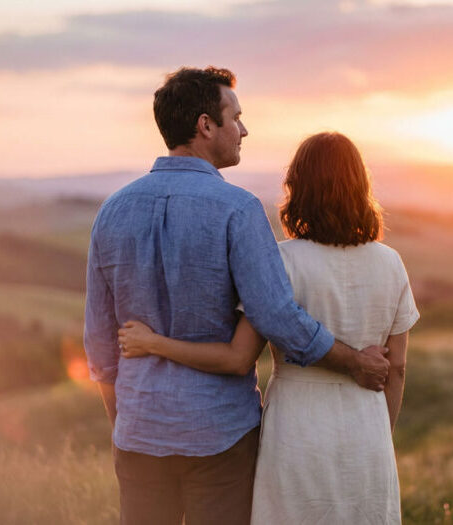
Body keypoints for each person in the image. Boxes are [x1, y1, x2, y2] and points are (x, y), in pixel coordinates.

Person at [83, 67, 390, 525]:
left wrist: (123, 425)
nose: (243, 129)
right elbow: (278, 316)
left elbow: (100, 343)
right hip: (220, 438)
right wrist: (356, 362)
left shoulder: (112, 211)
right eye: (236, 117)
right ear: (206, 125)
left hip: (139, 435)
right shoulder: (238, 209)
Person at [119, 131, 420, 524]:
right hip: (367, 429)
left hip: (296, 429)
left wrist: (155, 342)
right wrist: (381, 431)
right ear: (361, 187)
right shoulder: (391, 263)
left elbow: (238, 355)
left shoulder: (281, 260)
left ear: (297, 187)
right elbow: (396, 368)